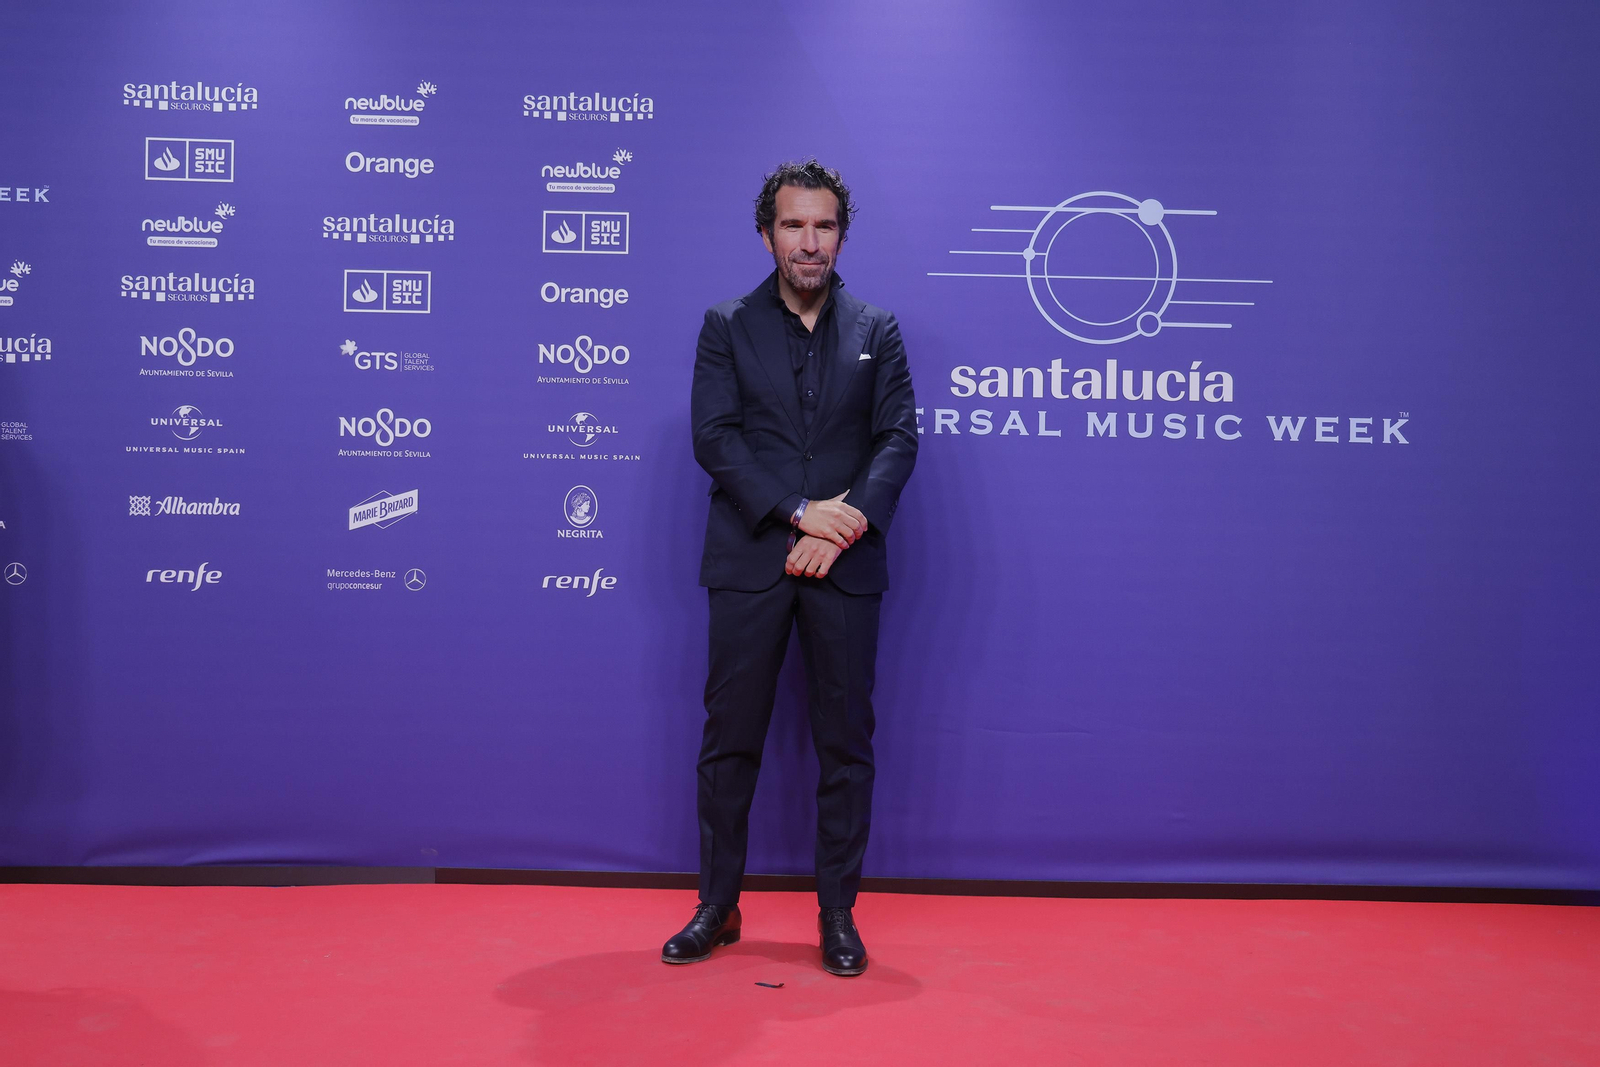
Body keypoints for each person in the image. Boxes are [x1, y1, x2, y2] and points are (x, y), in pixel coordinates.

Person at [662, 160, 919, 976]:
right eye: (793, 225)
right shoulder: (725, 325)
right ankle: (717, 905)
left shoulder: (877, 329)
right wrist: (800, 512)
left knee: (846, 744)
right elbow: (716, 439)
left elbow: (897, 440)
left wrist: (837, 529)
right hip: (750, 561)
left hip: (844, 565)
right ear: (767, 232)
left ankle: (838, 915)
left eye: (825, 226)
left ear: (842, 234)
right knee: (729, 740)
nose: (810, 242)